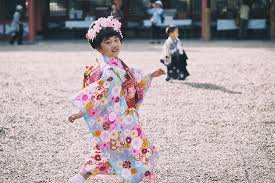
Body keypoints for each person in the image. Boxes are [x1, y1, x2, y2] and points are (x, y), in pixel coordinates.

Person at [68, 16, 165, 183]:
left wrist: (150, 75)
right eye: (108, 42)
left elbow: (133, 77)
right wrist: (81, 111)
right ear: (99, 48)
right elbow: (98, 92)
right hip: (119, 119)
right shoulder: (109, 70)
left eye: (116, 40)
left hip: (122, 116)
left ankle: (82, 176)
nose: (114, 44)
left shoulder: (116, 64)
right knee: (132, 147)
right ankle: (133, 176)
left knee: (110, 149)